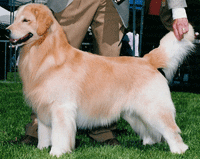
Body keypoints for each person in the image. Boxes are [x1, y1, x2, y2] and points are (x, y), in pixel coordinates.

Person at [20, 0, 189, 146]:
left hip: (114, 5)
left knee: (111, 75)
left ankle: (102, 129)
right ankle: (39, 127)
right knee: (53, 63)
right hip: (72, 3)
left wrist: (178, 10)